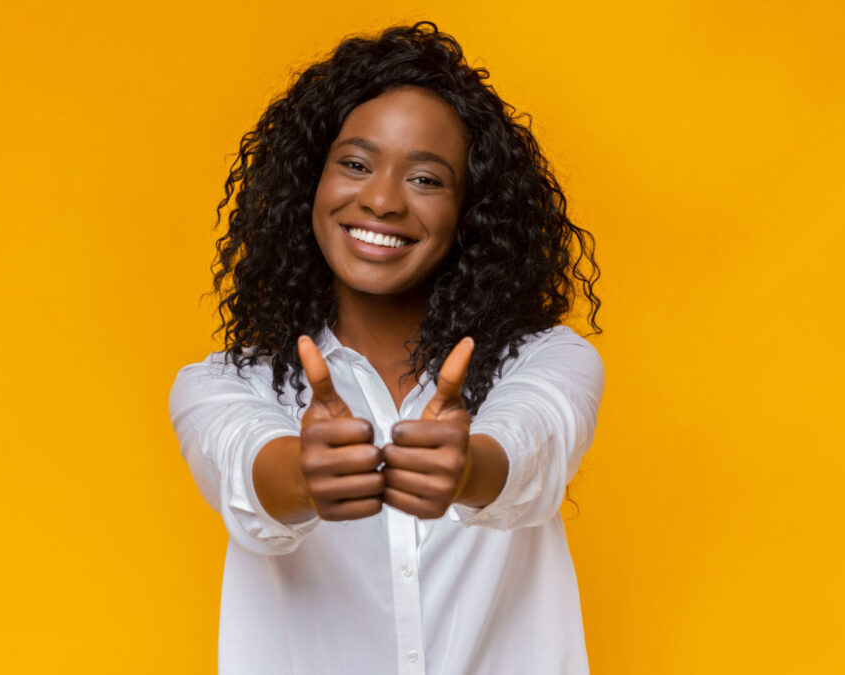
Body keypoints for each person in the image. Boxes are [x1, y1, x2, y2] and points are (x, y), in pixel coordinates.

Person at [169, 21, 604, 674]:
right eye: (355, 164)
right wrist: (303, 473)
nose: (380, 200)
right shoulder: (220, 386)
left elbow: (533, 438)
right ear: (309, 184)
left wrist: (468, 469)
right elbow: (242, 466)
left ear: (471, 212)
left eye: (426, 179)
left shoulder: (548, 359)